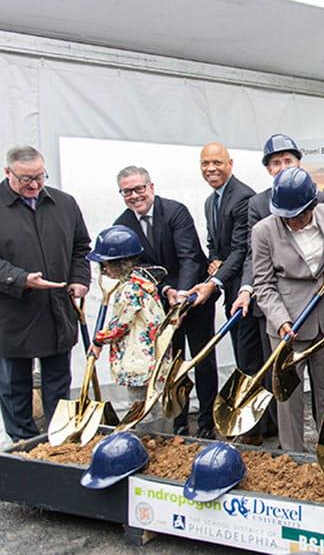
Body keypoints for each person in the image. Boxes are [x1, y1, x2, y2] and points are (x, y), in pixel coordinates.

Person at [252, 166, 324, 452]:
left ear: (312, 205)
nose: (294, 223)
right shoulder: (263, 231)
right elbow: (262, 284)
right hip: (289, 324)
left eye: (299, 215)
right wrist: (281, 322)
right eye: (287, 217)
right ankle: (293, 458)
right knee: (289, 398)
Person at [113, 166, 218, 439]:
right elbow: (137, 270)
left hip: (194, 299)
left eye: (139, 189)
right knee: (171, 364)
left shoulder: (175, 212)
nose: (135, 195)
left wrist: (182, 296)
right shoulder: (122, 225)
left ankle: (207, 422)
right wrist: (167, 291)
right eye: (127, 191)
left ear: (151, 186)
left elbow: (190, 257)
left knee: (202, 361)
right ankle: (178, 423)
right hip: (160, 306)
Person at [0, 146, 91, 442]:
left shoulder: (64, 203)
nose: (35, 185)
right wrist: (21, 278)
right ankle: (22, 444)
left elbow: (81, 247)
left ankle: (59, 440)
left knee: (58, 383)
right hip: (12, 313)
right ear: (7, 173)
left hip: (57, 310)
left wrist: (79, 279)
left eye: (40, 177)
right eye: (26, 179)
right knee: (15, 386)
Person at [184, 142, 264, 444]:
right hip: (229, 290)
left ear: (230, 163)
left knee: (248, 360)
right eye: (205, 164)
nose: (211, 169)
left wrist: (215, 278)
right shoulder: (210, 201)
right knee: (242, 353)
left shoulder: (243, 197)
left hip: (247, 289)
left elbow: (243, 249)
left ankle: (253, 431)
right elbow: (216, 245)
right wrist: (215, 263)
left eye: (217, 162)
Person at [86, 225, 168, 433]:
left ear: (119, 263)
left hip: (139, 358)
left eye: (105, 265)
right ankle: (159, 437)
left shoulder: (129, 290)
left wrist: (98, 341)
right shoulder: (144, 281)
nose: (103, 270)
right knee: (154, 401)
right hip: (153, 357)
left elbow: (120, 324)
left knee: (141, 406)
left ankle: (149, 440)